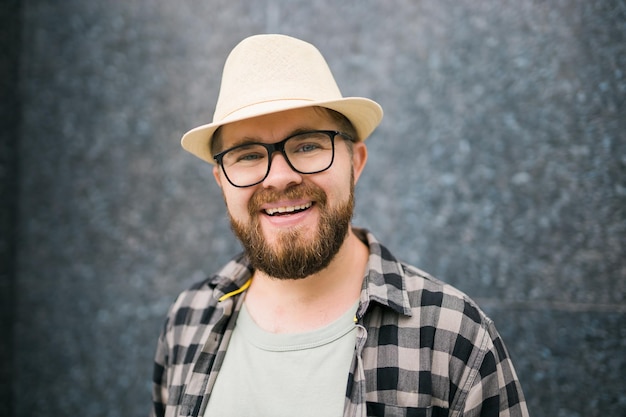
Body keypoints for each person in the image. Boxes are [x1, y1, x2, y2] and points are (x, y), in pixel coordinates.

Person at [151, 34, 529, 417]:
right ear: (221, 181)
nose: (279, 178)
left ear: (356, 163)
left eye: (307, 145)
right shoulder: (188, 320)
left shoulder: (454, 336)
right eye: (247, 154)